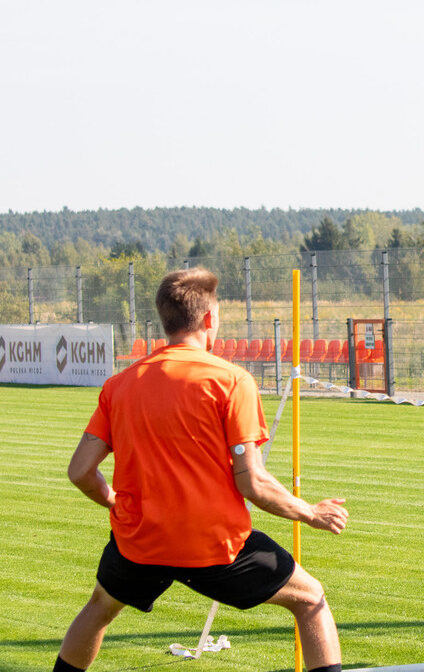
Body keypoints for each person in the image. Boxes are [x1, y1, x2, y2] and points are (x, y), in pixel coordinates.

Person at [56, 268, 349, 672]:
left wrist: (111, 501)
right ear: (210, 320)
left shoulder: (120, 385)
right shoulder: (231, 381)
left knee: (99, 608)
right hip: (215, 548)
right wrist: (311, 513)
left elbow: (79, 471)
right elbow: (254, 482)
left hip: (140, 543)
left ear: (165, 320)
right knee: (311, 599)